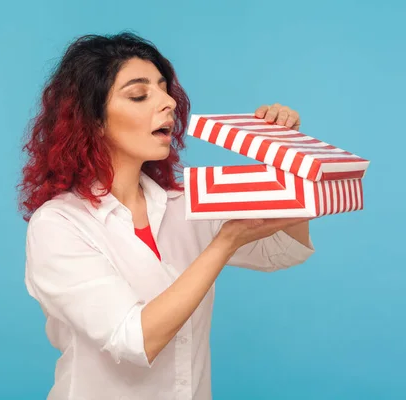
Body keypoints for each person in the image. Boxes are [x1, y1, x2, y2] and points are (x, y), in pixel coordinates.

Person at [18, 32, 315, 400]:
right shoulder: (59, 225)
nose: (168, 103)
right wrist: (224, 245)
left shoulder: (186, 202)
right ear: (93, 120)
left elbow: (284, 249)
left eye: (164, 89)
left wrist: (286, 157)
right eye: (140, 95)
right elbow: (134, 340)